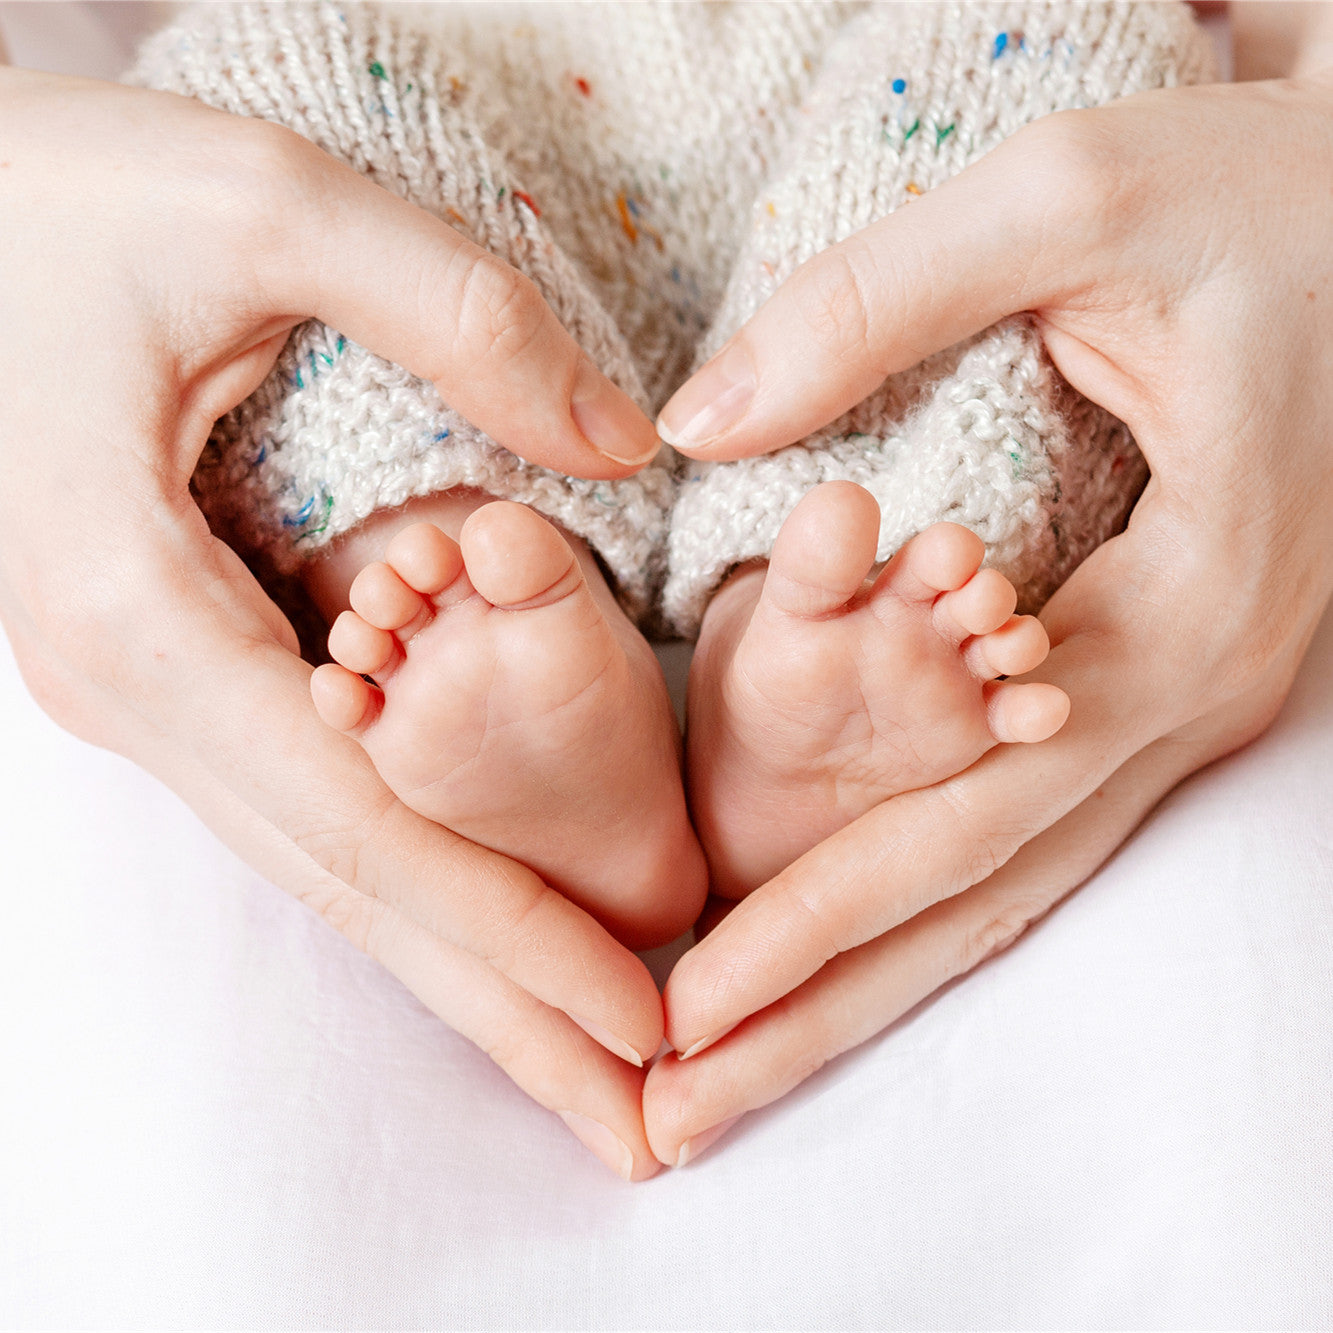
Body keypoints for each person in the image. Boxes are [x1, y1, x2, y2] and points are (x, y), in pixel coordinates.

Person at [0, 0, 1329, 1189]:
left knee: (1069, 54)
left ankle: (813, 608)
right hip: (420, 80)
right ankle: (479, 569)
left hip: (887, 85)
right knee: (258, 99)